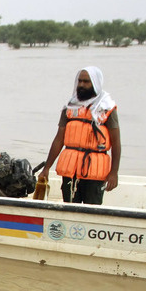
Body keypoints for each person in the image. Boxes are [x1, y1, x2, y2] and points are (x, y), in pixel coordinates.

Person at [36, 66, 121, 205]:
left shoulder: (106, 107)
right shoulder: (69, 107)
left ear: (95, 83)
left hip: (95, 170)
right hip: (71, 170)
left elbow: (116, 142)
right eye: (80, 81)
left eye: (86, 81)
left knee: (92, 211)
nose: (81, 85)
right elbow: (59, 139)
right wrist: (47, 168)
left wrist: (114, 172)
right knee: (69, 208)